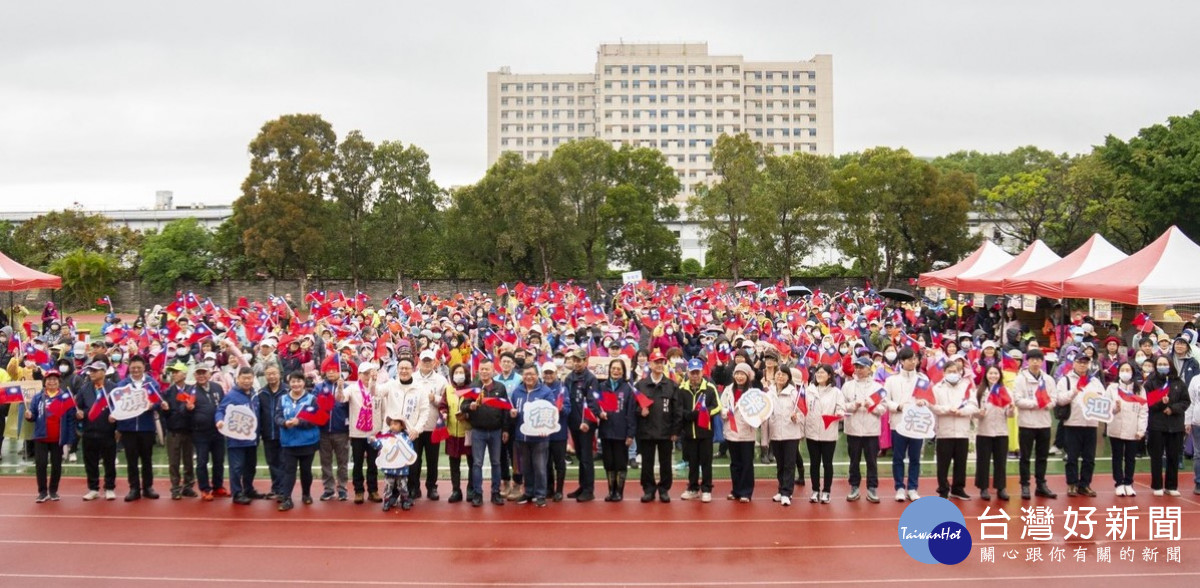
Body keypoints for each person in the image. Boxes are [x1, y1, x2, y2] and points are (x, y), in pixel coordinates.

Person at [634, 349, 682, 503]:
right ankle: (648, 489)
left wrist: (675, 431)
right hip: (646, 431)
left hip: (666, 431)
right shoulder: (641, 385)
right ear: (650, 364)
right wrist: (640, 411)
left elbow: (677, 410)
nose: (660, 365)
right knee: (647, 463)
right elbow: (633, 408)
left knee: (665, 463)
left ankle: (664, 489)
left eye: (662, 362)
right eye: (656, 362)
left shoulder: (671, 385)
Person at [115, 355, 164, 501]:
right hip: (128, 428)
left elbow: (158, 401)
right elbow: (118, 404)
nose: (136, 370)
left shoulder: (151, 383)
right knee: (131, 460)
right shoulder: (123, 385)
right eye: (133, 368)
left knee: (147, 459)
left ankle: (148, 487)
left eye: (139, 368)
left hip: (146, 426)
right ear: (129, 368)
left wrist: (152, 405)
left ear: (144, 368)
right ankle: (134, 488)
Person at [1011, 349, 1059, 500]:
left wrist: (1047, 404)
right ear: (1028, 361)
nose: (1036, 362)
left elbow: (1054, 398)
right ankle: (1025, 484)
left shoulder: (1048, 379)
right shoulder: (1020, 378)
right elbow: (1017, 400)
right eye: (1033, 359)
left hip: (1044, 422)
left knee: (1042, 456)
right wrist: (1036, 403)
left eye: (1039, 359)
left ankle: (1041, 484)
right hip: (1027, 423)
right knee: (1025, 456)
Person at [1056, 354, 1106, 497]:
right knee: (1071, 457)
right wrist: (1073, 392)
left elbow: (1103, 398)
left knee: (1089, 457)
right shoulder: (1065, 380)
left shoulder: (1095, 381)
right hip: (1072, 423)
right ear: (1074, 363)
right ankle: (1072, 484)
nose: (1082, 365)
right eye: (1079, 362)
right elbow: (1059, 400)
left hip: (1091, 424)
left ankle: (1085, 484)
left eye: (1085, 362)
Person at [462, 361, 510, 506]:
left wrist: (506, 429)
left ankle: (495, 492)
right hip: (478, 431)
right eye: (482, 369)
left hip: (496, 431)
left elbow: (505, 409)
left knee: (496, 463)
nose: (484, 371)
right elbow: (463, 406)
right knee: (477, 464)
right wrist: (469, 406)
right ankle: (478, 494)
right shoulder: (473, 387)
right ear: (478, 370)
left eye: (487, 369)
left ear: (492, 370)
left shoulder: (500, 387)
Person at [509, 363, 557, 507]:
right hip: (521, 436)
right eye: (526, 374)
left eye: (532, 374)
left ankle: (540, 494)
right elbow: (512, 410)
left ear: (537, 375)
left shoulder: (545, 392)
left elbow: (551, 413)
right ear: (522, 376)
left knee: (540, 467)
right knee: (526, 467)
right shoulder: (517, 392)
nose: (529, 377)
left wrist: (545, 428)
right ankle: (528, 492)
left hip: (540, 438)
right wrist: (512, 414)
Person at [884, 347, 927, 502]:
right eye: (909, 359)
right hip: (898, 423)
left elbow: (929, 398)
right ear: (901, 361)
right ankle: (900, 487)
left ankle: (913, 487)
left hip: (917, 424)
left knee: (915, 458)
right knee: (898, 457)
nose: (913, 362)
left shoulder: (922, 379)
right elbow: (886, 400)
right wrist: (898, 406)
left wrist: (924, 402)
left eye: (915, 359)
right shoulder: (891, 380)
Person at [25, 370, 75, 502]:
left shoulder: (65, 397)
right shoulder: (38, 397)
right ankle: (42, 492)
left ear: (59, 382)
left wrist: (69, 440)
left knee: (56, 465)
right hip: (41, 437)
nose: (52, 381)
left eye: (55, 379)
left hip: (58, 439)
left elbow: (70, 419)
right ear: (44, 382)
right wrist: (29, 416)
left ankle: (53, 491)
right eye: (49, 379)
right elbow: (34, 416)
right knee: (40, 464)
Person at [275, 371, 321, 511]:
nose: (296, 384)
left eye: (299, 381)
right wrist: (284, 423)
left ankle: (306, 494)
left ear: (303, 383)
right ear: (289, 383)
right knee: (289, 471)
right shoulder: (282, 399)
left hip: (307, 442)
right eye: (293, 381)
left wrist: (299, 422)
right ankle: (287, 498)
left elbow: (315, 418)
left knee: (306, 471)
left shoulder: (311, 398)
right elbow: (277, 416)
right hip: (288, 442)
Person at [931, 361, 977, 500]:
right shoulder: (937, 388)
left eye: (955, 371)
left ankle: (958, 488)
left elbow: (973, 406)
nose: (953, 374)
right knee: (943, 463)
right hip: (944, 430)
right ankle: (943, 489)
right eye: (950, 371)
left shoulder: (967, 387)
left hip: (962, 430)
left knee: (960, 462)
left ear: (960, 372)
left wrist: (961, 411)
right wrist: (947, 410)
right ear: (944, 372)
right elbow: (933, 406)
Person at [216, 367, 262, 505]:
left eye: (249, 378)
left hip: (252, 439)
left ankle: (248, 489)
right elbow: (220, 410)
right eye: (244, 378)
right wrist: (219, 420)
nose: (247, 381)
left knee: (250, 466)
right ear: (238, 379)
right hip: (236, 439)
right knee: (236, 467)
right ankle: (237, 493)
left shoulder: (254, 394)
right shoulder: (231, 395)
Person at [1146, 355, 1191, 496]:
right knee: (1157, 456)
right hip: (1157, 425)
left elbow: (1185, 401)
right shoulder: (1150, 383)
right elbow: (1148, 402)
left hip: (1175, 425)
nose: (1162, 366)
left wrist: (1172, 408)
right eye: (1159, 364)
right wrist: (1161, 402)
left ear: (1170, 365)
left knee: (1173, 456)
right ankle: (1157, 486)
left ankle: (1171, 486)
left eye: (1165, 363)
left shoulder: (1178, 383)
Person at [842, 356, 885, 503]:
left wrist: (870, 406)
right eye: (857, 367)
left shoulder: (877, 388)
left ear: (869, 369)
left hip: (871, 430)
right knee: (854, 461)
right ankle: (854, 486)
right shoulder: (847, 386)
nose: (858, 370)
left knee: (871, 461)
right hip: (853, 429)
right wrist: (854, 405)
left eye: (862, 367)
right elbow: (842, 407)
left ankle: (872, 488)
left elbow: (883, 409)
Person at [679, 357, 720, 503]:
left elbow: (717, 406)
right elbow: (678, 409)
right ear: (688, 373)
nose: (695, 375)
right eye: (692, 373)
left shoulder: (709, 388)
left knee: (706, 462)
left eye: (697, 372)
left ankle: (707, 489)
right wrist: (687, 415)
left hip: (705, 432)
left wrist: (704, 412)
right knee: (692, 462)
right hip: (689, 433)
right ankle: (693, 488)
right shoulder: (682, 389)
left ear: (702, 372)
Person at [75, 360, 118, 501]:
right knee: (90, 461)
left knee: (109, 461)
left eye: (95, 370)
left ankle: (109, 487)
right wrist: (79, 414)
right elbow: (78, 407)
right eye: (90, 370)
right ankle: (93, 488)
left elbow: (120, 409)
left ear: (104, 372)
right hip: (89, 431)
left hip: (108, 431)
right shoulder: (84, 389)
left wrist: (116, 422)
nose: (91, 373)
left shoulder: (113, 388)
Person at [562, 348, 600, 502]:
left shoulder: (591, 379)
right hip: (573, 422)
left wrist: (587, 421)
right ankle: (582, 486)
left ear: (586, 361)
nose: (576, 363)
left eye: (579, 360)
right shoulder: (569, 378)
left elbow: (593, 403)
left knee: (586, 457)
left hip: (585, 424)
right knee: (579, 455)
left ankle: (589, 489)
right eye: (574, 360)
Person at [597, 358, 637, 501]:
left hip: (622, 433)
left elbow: (631, 413)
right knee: (609, 463)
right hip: (606, 431)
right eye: (613, 368)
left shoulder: (628, 389)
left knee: (620, 464)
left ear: (623, 372)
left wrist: (630, 434)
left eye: (619, 369)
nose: (616, 371)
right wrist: (599, 413)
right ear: (609, 370)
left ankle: (619, 491)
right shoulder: (602, 387)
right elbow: (597, 406)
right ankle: (611, 491)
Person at [411, 349, 449, 500]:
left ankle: (432, 487)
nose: (426, 364)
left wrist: (435, 398)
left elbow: (447, 401)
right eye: (424, 361)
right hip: (415, 427)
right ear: (419, 362)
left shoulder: (441, 380)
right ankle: (414, 487)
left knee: (432, 459)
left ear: (434, 363)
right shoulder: (412, 378)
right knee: (415, 459)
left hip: (433, 426)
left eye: (429, 361)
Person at [804, 364, 844, 504]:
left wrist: (839, 413)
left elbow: (841, 408)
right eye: (817, 372)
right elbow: (803, 409)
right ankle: (815, 490)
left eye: (822, 372)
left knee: (827, 463)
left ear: (829, 375)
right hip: (812, 432)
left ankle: (826, 491)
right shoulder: (809, 390)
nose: (819, 374)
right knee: (814, 463)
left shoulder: (836, 392)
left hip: (828, 432)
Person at [314, 357, 352, 502]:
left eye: (334, 370)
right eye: (328, 370)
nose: (331, 373)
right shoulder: (319, 387)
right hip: (324, 431)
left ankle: (342, 489)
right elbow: (315, 407)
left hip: (341, 431)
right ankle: (329, 489)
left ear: (339, 372)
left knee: (342, 463)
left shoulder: (347, 387)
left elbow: (351, 409)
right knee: (326, 462)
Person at [347, 359, 383, 506]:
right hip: (357, 433)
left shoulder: (378, 389)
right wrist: (339, 387)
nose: (368, 376)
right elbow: (341, 398)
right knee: (357, 463)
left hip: (374, 432)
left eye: (371, 373)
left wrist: (382, 429)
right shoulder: (352, 388)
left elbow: (383, 409)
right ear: (359, 374)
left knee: (373, 463)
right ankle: (359, 490)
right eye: (365, 373)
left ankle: (373, 490)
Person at [973, 365, 1012, 501]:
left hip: (1001, 431)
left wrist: (1011, 410)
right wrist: (978, 413)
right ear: (986, 375)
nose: (993, 376)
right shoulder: (979, 391)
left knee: (1000, 461)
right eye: (991, 373)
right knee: (983, 461)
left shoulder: (1005, 390)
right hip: (984, 431)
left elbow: (1009, 413)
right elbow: (973, 411)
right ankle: (983, 487)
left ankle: (1001, 487)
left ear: (1000, 375)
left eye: (996, 373)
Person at [720, 362, 758, 502]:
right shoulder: (728, 390)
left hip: (747, 434)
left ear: (748, 376)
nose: (740, 376)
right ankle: (736, 490)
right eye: (737, 373)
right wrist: (725, 412)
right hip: (731, 432)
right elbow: (721, 406)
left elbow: (759, 413)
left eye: (742, 374)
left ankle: (746, 492)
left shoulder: (753, 392)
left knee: (747, 463)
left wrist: (752, 419)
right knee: (735, 463)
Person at [1109, 362, 1148, 497]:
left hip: (1133, 428)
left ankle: (1128, 483)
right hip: (1116, 428)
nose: (1125, 372)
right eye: (1123, 369)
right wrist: (1114, 409)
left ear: (1132, 372)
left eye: (1128, 370)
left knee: (1130, 458)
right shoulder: (1112, 389)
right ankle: (1119, 483)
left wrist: (1141, 430)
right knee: (1117, 457)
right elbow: (1105, 409)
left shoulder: (1139, 389)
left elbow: (1143, 411)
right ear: (1119, 372)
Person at [766, 366, 803, 506]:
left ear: (788, 377)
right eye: (778, 374)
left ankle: (787, 492)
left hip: (790, 433)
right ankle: (781, 489)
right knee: (780, 464)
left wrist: (797, 417)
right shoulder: (769, 393)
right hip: (775, 433)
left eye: (783, 374)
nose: (780, 376)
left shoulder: (794, 393)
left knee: (789, 464)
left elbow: (802, 412)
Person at [190, 362, 226, 501]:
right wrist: (188, 409)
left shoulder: (217, 387)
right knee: (202, 462)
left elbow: (223, 405)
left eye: (204, 372)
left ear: (209, 374)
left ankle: (218, 487)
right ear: (194, 375)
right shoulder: (191, 390)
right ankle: (205, 489)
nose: (201, 376)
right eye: (198, 373)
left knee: (219, 461)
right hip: (200, 433)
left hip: (218, 431)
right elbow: (184, 411)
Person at [162, 361, 197, 500]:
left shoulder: (192, 389)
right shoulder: (168, 392)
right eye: (173, 372)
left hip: (189, 431)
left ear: (185, 373)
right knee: (174, 462)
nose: (174, 374)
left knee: (188, 461)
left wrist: (190, 410)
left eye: (177, 372)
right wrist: (165, 410)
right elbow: (166, 414)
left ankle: (188, 486)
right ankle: (175, 488)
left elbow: (195, 410)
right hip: (174, 431)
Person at [442, 364, 473, 503]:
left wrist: (467, 415)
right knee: (454, 463)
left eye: (461, 372)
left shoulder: (472, 389)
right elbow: (443, 405)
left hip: (468, 431)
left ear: (466, 375)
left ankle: (471, 489)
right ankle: (456, 490)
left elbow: (476, 407)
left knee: (472, 462)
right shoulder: (448, 389)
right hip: (452, 432)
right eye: (456, 372)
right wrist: (443, 413)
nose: (459, 374)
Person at [255, 365, 287, 501]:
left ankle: (283, 490)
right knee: (272, 463)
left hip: (285, 434)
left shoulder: (287, 391)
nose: (271, 376)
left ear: (279, 374)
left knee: (284, 463)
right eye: (268, 374)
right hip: (268, 434)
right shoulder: (261, 393)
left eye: (274, 373)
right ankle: (276, 488)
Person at [541, 362, 570, 502]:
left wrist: (561, 408)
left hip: (559, 432)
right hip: (543, 433)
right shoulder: (538, 388)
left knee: (559, 463)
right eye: (546, 373)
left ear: (556, 374)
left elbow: (568, 410)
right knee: (546, 463)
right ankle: (549, 488)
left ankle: (559, 490)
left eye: (550, 373)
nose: (548, 375)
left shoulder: (562, 389)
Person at [371, 416, 413, 511]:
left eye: (395, 424)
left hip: (402, 469)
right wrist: (373, 441)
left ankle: (405, 500)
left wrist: (408, 460)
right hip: (389, 468)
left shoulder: (406, 438)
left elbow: (410, 451)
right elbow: (379, 445)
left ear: (401, 426)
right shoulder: (386, 437)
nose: (392, 426)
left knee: (403, 485)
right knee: (388, 486)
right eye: (391, 424)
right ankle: (387, 501)